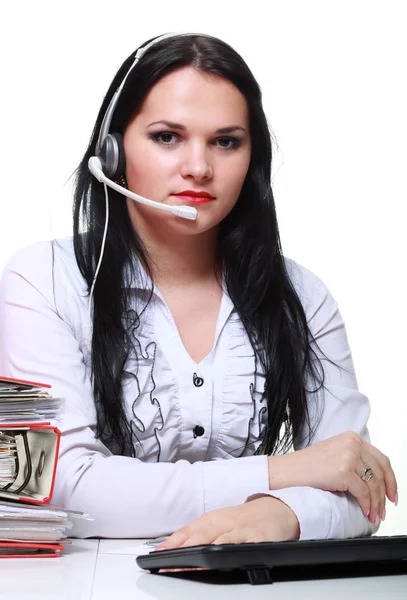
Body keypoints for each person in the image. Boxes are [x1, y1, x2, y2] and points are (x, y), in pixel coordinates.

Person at [0, 32, 398, 545]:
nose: (198, 167)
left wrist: (281, 518)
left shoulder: (302, 295)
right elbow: (56, 486)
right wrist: (281, 476)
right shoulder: (43, 279)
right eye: (167, 137)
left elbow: (357, 481)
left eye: (225, 141)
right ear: (113, 151)